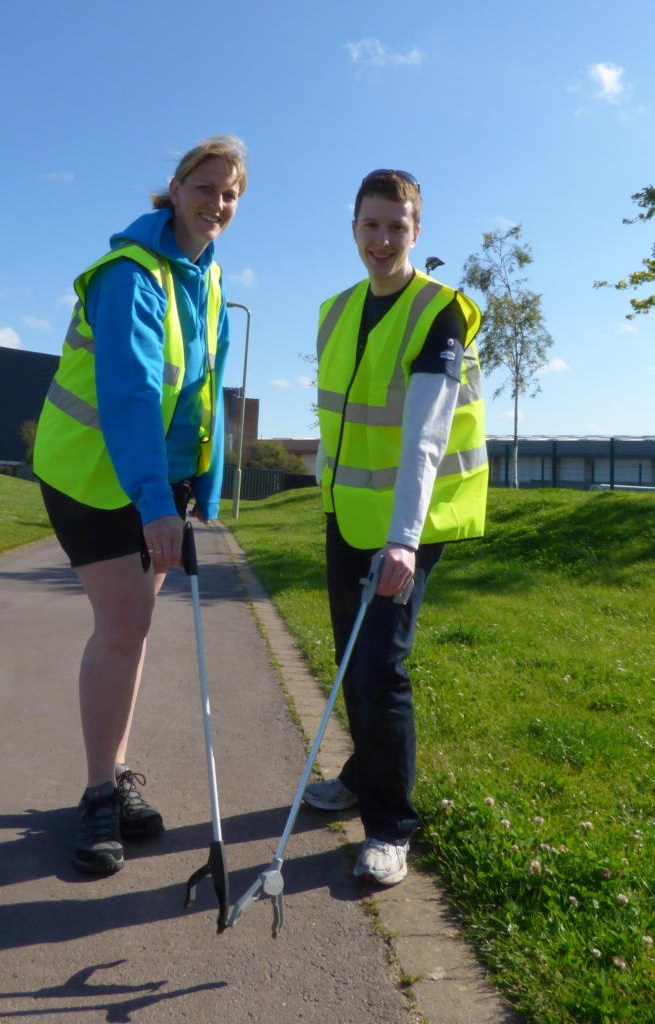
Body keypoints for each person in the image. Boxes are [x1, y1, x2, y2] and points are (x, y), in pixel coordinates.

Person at [32, 135, 248, 874]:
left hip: (159, 480)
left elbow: (205, 391)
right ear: (177, 185)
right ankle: (98, 793)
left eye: (230, 194)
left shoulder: (209, 278)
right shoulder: (133, 274)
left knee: (135, 624)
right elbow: (128, 398)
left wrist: (202, 489)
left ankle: (113, 775)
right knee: (124, 624)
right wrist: (157, 502)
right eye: (205, 186)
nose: (216, 203)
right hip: (94, 477)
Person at [304, 169, 487, 885]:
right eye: (371, 225)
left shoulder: (438, 311)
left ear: (417, 232)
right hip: (347, 514)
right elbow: (337, 422)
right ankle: (359, 773)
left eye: (397, 227)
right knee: (355, 659)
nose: (382, 240)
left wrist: (405, 540)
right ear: (352, 227)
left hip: (413, 521)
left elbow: (423, 439)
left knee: (382, 667)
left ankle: (390, 825)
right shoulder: (335, 311)